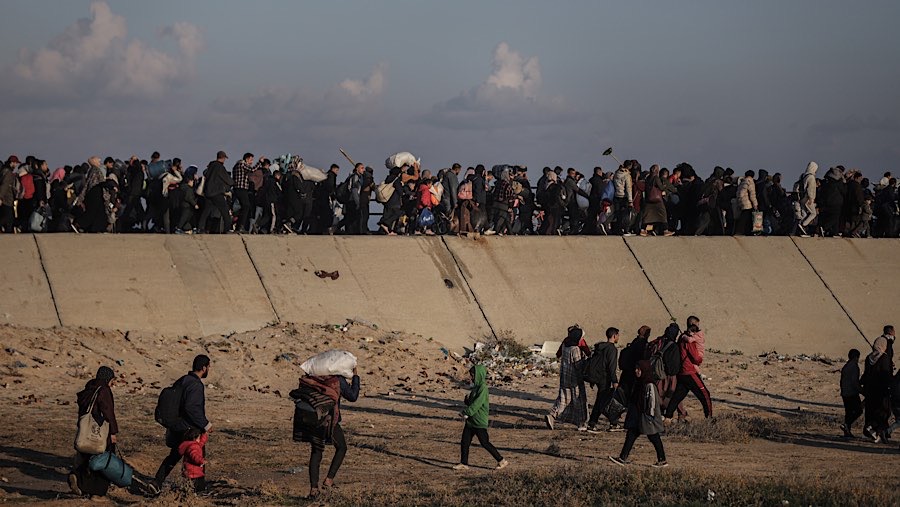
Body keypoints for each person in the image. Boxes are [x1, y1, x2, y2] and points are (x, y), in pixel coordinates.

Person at [292, 368, 360, 499]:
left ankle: (313, 489)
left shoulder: (311, 377)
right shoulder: (337, 380)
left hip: (310, 417)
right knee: (341, 447)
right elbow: (353, 396)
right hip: (328, 418)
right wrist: (356, 377)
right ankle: (329, 480)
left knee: (316, 451)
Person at [153, 355, 212, 492]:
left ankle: (157, 482)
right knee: (197, 457)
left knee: (174, 456)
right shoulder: (196, 385)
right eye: (208, 367)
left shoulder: (182, 380)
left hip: (177, 426)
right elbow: (192, 408)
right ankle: (197, 489)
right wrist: (206, 425)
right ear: (204, 368)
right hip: (190, 429)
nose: (209, 369)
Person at [69, 366, 119, 499]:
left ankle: (77, 478)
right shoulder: (104, 390)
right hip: (100, 431)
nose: (112, 383)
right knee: (104, 460)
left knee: (86, 458)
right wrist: (113, 432)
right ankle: (96, 493)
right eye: (112, 380)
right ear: (108, 378)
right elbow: (108, 412)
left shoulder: (90, 387)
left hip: (86, 431)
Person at [608, 360, 668, 468]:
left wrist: (650, 415)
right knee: (631, 435)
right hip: (638, 416)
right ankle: (622, 458)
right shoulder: (639, 383)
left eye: (638, 369)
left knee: (654, 436)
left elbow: (653, 401)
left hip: (647, 416)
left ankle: (662, 460)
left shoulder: (649, 384)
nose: (636, 371)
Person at [452, 364, 508, 471]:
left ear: (479, 375)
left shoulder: (483, 388)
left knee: (484, 442)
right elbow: (473, 402)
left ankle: (501, 460)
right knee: (465, 441)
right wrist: (467, 401)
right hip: (471, 420)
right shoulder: (476, 387)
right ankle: (464, 463)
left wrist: (466, 412)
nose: (471, 377)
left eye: (473, 375)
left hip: (478, 421)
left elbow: (477, 404)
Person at [663, 323, 712, 420]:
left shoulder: (682, 337)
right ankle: (709, 418)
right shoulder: (689, 341)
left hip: (681, 372)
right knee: (705, 394)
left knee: (678, 395)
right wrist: (700, 359)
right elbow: (696, 358)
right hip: (689, 371)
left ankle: (667, 416)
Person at [546, 325, 589, 431]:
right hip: (575, 380)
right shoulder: (575, 349)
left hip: (565, 377)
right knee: (579, 400)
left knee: (563, 398)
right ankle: (582, 423)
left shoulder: (565, 344)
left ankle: (552, 415)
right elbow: (578, 366)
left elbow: (558, 354)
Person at [585, 327, 621, 432]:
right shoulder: (612, 349)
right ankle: (592, 423)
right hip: (604, 378)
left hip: (596, 377)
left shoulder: (600, 347)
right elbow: (611, 366)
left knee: (604, 400)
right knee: (602, 401)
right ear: (614, 336)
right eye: (618, 335)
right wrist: (615, 381)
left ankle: (613, 422)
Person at [862, 326, 894, 442]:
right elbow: (886, 375)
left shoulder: (869, 358)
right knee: (883, 412)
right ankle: (876, 430)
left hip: (870, 390)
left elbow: (866, 374)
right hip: (881, 390)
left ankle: (873, 430)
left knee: (872, 410)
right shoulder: (884, 359)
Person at [197, 152, 234, 233]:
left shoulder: (210, 167)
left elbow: (205, 174)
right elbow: (227, 179)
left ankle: (200, 228)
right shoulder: (220, 167)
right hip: (216, 192)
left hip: (208, 192)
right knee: (225, 211)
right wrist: (232, 183)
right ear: (223, 158)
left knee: (206, 211)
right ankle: (227, 229)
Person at [839, 349, 863, 438]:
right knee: (858, 411)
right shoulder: (854, 367)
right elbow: (854, 382)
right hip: (852, 393)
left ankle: (847, 431)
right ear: (856, 357)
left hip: (845, 392)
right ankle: (846, 424)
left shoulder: (846, 366)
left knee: (848, 412)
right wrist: (862, 391)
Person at [179, 428, 209, 493]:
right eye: (199, 438)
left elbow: (201, 443)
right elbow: (194, 456)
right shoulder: (193, 446)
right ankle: (199, 493)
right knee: (198, 485)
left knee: (189, 485)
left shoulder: (191, 444)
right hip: (193, 472)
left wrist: (204, 434)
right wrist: (201, 460)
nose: (199, 439)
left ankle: (188, 492)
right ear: (194, 438)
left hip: (190, 471)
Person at [231, 153, 255, 233]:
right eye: (251, 160)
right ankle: (240, 226)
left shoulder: (237, 165)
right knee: (246, 205)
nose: (252, 162)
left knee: (244, 207)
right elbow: (253, 170)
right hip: (241, 188)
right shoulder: (242, 164)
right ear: (247, 159)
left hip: (238, 188)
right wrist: (259, 162)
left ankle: (239, 226)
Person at [734, 170, 758, 235]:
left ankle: (743, 231)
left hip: (741, 201)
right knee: (745, 217)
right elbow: (752, 194)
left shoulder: (743, 181)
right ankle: (740, 231)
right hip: (747, 202)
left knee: (744, 216)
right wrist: (755, 204)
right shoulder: (750, 181)